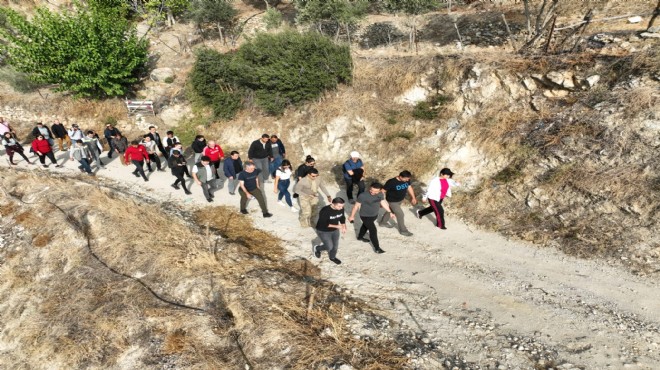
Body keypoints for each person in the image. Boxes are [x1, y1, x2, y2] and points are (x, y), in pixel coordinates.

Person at [348, 182, 395, 254]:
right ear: (370, 187)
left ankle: (360, 237)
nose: (373, 192)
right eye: (371, 190)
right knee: (373, 230)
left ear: (380, 190)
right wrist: (351, 216)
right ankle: (377, 248)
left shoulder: (380, 194)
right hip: (365, 216)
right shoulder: (363, 195)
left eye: (376, 191)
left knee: (365, 226)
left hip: (374, 215)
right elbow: (356, 206)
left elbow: (383, 202)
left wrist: (390, 212)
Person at [379, 170, 417, 237]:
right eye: (406, 179)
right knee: (400, 214)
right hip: (392, 201)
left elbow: (409, 187)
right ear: (400, 177)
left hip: (400, 200)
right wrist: (382, 202)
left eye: (408, 179)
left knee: (390, 211)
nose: (407, 180)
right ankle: (403, 231)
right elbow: (382, 191)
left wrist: (413, 197)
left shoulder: (407, 179)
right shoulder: (391, 182)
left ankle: (383, 223)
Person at [313, 197, 347, 265]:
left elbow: (342, 217)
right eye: (339, 206)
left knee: (335, 246)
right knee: (329, 246)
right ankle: (317, 248)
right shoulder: (325, 211)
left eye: (342, 206)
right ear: (333, 204)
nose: (341, 208)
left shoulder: (341, 208)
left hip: (334, 230)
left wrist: (344, 226)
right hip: (323, 230)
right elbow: (324, 224)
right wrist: (337, 226)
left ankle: (332, 257)